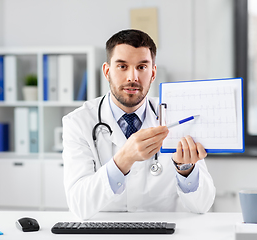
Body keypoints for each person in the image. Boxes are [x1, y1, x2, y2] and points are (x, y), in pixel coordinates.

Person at [62, 29, 216, 220]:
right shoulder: (78, 123)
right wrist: (124, 160)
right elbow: (79, 205)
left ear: (153, 73)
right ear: (107, 71)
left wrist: (186, 170)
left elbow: (203, 205)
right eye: (122, 66)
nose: (132, 77)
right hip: (104, 232)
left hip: (162, 231)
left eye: (142, 67)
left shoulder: (178, 117)